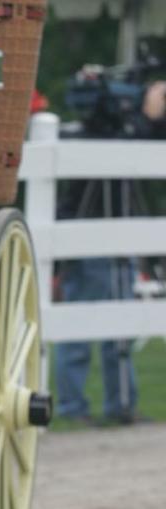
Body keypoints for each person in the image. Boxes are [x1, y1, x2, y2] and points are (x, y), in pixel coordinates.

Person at [55, 78, 166, 426]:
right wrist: (147, 117)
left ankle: (114, 405)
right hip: (87, 240)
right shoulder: (103, 137)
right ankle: (79, 408)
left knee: (116, 327)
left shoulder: (116, 132)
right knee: (79, 327)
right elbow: (133, 147)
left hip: (114, 235)